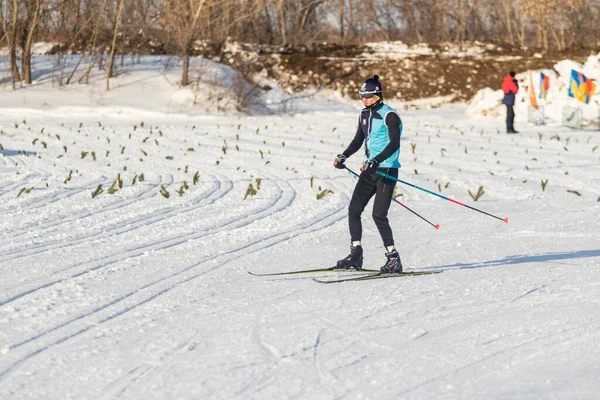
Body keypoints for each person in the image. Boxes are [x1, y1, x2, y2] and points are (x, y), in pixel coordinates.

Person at [332, 75, 403, 273]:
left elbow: (394, 143)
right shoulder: (364, 114)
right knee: (354, 209)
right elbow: (358, 140)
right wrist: (343, 156)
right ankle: (356, 254)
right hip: (370, 169)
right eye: (362, 96)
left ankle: (393, 258)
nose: (364, 99)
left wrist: (376, 161)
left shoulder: (390, 115)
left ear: (378, 95)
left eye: (368, 96)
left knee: (378, 215)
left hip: (387, 170)